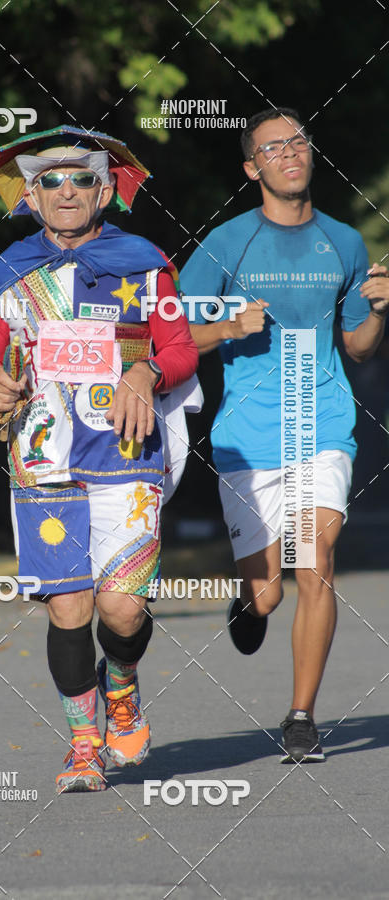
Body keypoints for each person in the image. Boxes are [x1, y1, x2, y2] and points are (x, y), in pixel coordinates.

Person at [0, 128, 199, 791]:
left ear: (104, 190)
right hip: (42, 458)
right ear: (32, 197)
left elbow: (180, 346)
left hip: (126, 453)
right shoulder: (9, 269)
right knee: (67, 606)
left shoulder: (145, 259)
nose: (66, 191)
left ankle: (122, 682)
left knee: (122, 609)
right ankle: (83, 747)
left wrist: (147, 373)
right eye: (50, 181)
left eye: (80, 180)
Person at [179, 107, 389, 763]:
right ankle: (250, 600)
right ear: (252, 168)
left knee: (315, 563)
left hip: (322, 424)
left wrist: (380, 310)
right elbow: (172, 336)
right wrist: (227, 328)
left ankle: (301, 716)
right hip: (247, 435)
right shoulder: (224, 244)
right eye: (273, 147)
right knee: (268, 591)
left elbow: (357, 348)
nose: (290, 152)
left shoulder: (345, 244)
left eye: (298, 141)